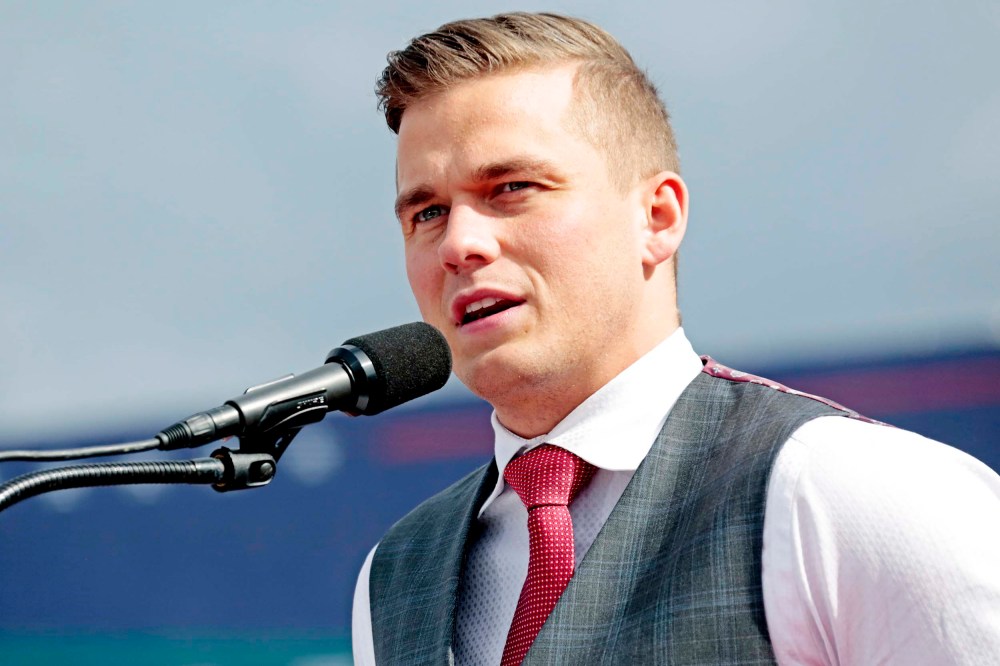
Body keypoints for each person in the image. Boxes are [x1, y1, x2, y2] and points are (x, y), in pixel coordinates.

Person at [352, 12, 1000, 665]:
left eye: (512, 187)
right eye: (427, 212)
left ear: (656, 218)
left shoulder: (844, 491)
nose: (460, 244)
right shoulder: (396, 576)